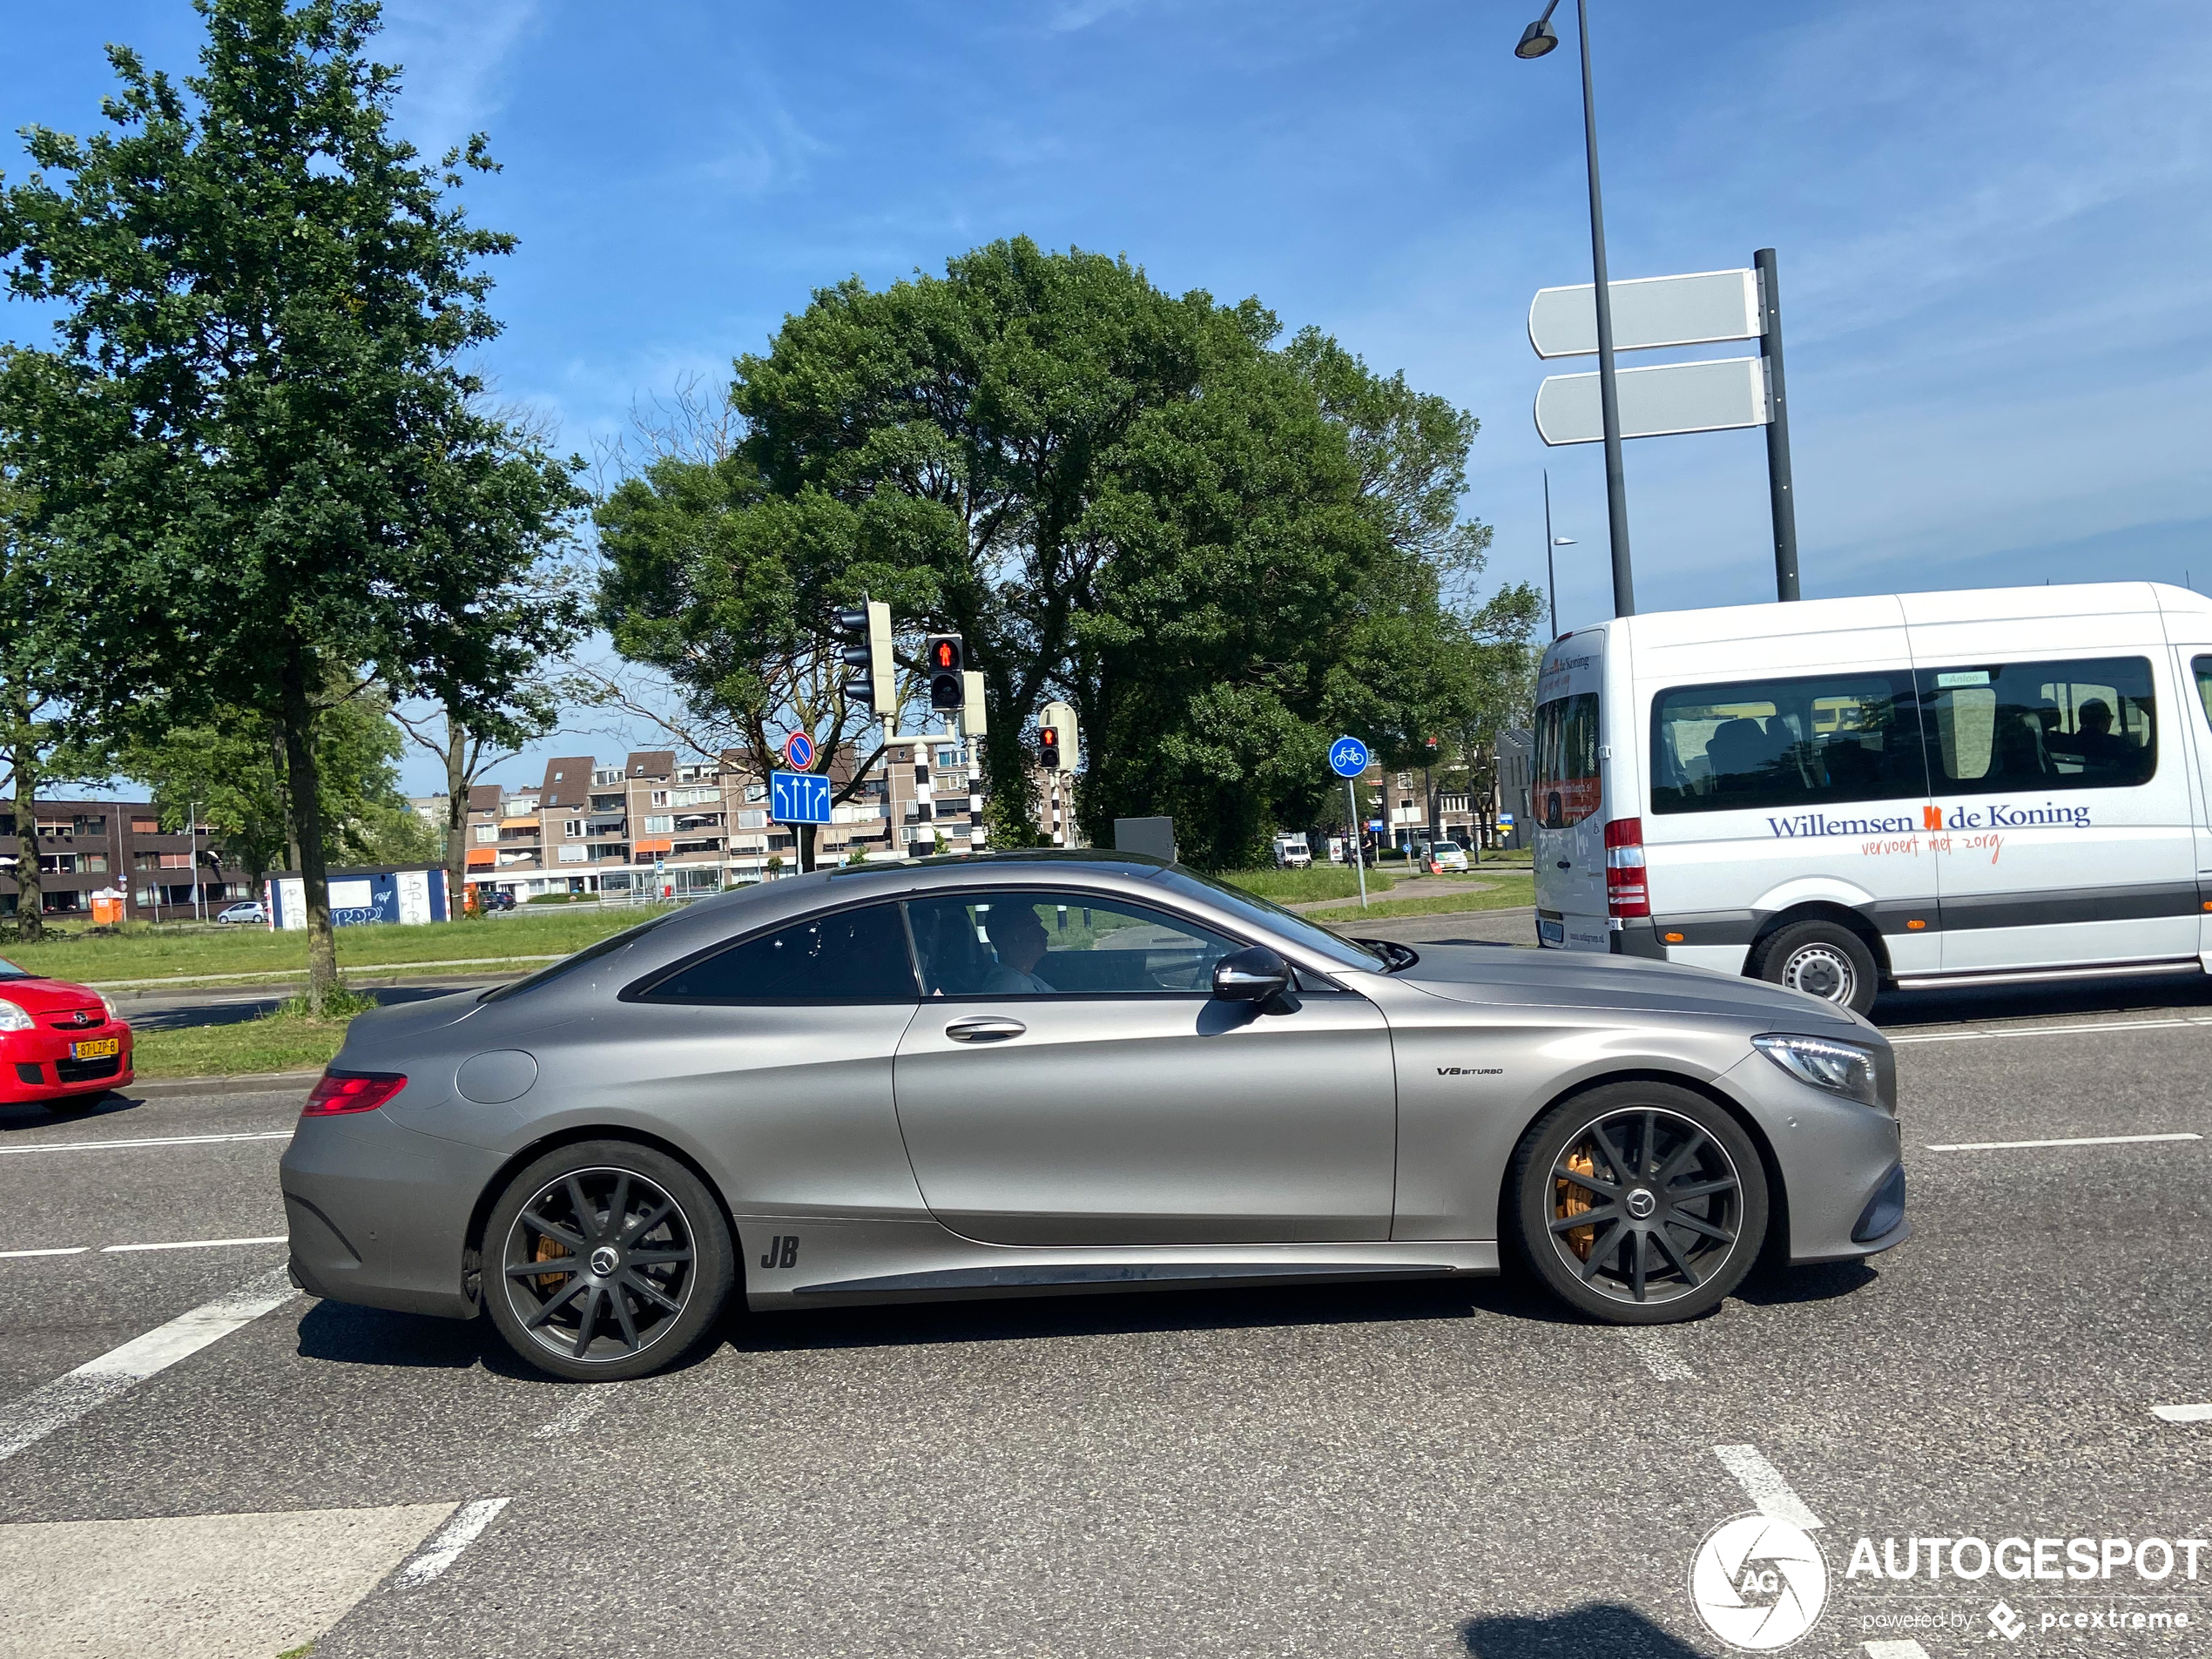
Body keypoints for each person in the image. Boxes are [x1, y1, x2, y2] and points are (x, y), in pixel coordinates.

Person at [980, 903, 1055, 994]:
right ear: (1015, 939)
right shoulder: (1010, 986)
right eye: (1034, 927)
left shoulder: (1025, 978)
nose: (1045, 933)